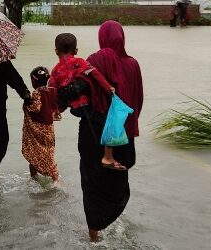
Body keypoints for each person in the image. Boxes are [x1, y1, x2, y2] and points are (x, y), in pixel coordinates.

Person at [81, 20, 144, 242]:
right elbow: (137, 99)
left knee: (92, 184)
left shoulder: (94, 60)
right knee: (117, 184)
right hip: (123, 134)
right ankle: (113, 227)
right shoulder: (133, 64)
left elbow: (81, 96)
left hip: (93, 133)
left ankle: (94, 237)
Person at [48, 33, 122, 171]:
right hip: (88, 106)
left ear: (56, 51)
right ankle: (108, 156)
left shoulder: (55, 71)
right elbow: (95, 74)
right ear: (76, 50)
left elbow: (53, 91)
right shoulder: (79, 62)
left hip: (75, 109)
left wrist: (56, 110)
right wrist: (108, 88)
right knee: (107, 123)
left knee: (89, 134)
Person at [21, 66, 60, 184]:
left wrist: (26, 103)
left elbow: (35, 108)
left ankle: (34, 178)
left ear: (34, 81)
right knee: (48, 152)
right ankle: (55, 179)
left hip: (37, 129)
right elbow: (56, 108)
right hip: (49, 129)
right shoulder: (52, 91)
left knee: (33, 152)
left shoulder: (37, 92)